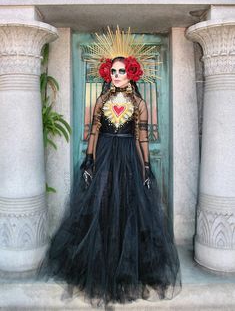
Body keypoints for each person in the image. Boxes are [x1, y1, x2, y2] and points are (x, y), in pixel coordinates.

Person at [38, 26, 181, 307]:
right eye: (113, 71)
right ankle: (101, 264)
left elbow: (142, 137)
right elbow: (93, 131)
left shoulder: (139, 102)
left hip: (128, 155)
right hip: (104, 154)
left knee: (128, 207)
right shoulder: (102, 100)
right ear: (108, 74)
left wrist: (147, 167)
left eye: (122, 71)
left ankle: (127, 268)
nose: (117, 76)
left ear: (131, 73)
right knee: (102, 204)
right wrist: (89, 160)